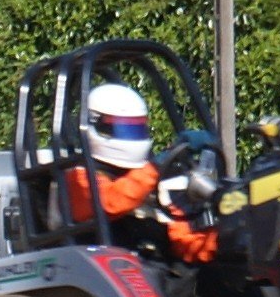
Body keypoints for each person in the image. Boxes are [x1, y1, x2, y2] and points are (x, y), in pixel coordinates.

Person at [66, 82, 217, 265]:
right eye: (124, 128)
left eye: (136, 128)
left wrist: (223, 239)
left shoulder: (152, 182)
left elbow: (183, 242)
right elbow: (110, 203)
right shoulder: (79, 177)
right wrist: (156, 167)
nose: (131, 135)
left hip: (157, 270)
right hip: (109, 269)